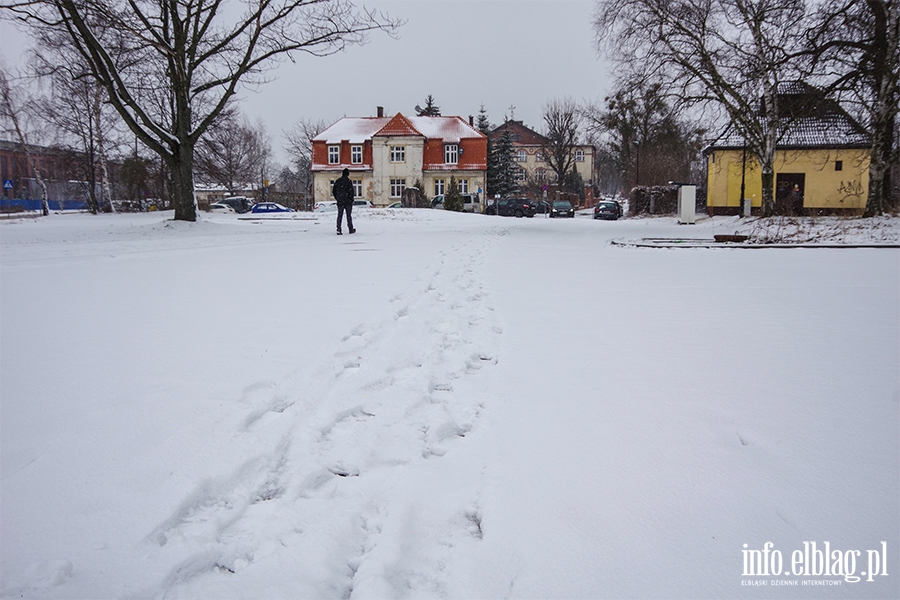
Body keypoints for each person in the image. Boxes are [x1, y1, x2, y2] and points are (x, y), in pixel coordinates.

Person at [332, 168, 355, 235]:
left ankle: (338, 229)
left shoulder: (338, 181)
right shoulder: (348, 181)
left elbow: (334, 191)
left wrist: (338, 198)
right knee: (349, 216)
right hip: (348, 201)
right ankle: (350, 229)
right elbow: (351, 192)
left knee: (340, 215)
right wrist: (351, 199)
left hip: (340, 201)